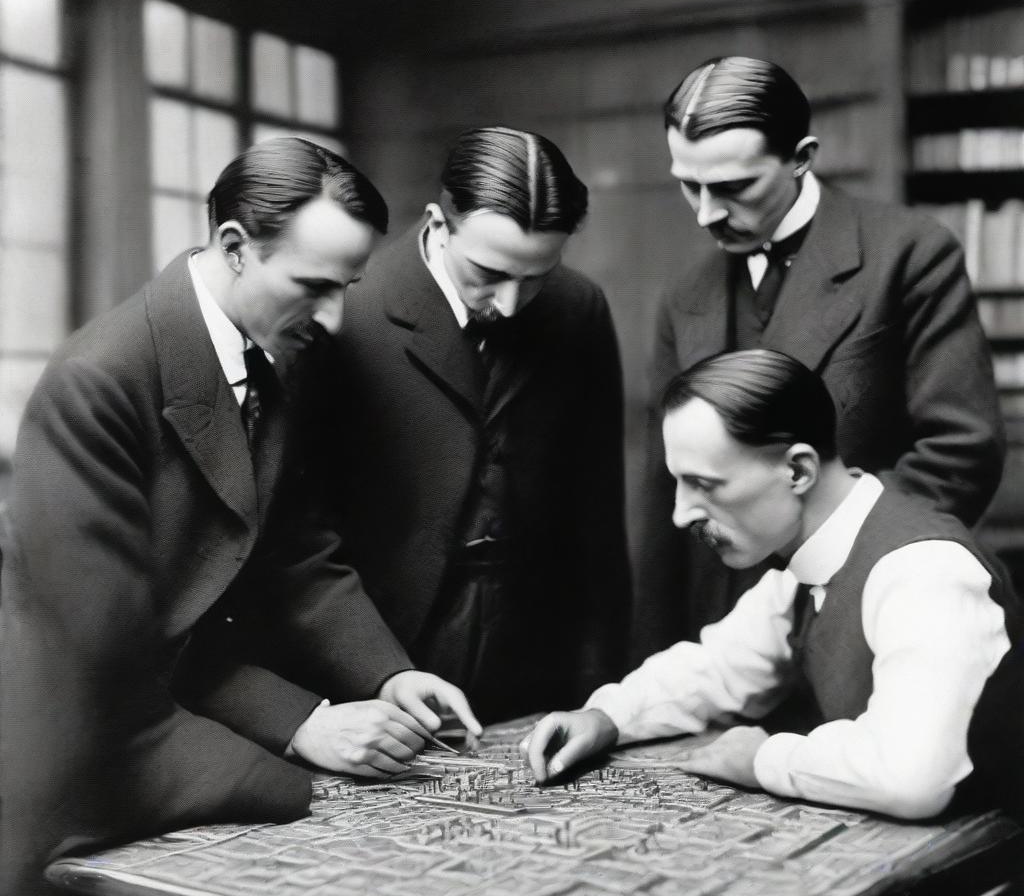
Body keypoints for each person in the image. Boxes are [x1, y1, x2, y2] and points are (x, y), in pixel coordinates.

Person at [0, 137, 480, 896]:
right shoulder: (98, 381)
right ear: (233, 247)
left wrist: (387, 675)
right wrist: (306, 725)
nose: (333, 317)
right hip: (77, 746)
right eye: (313, 287)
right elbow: (111, 654)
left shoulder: (270, 354)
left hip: (172, 707)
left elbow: (294, 553)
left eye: (347, 288)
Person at [525, 350, 1022, 821]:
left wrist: (763, 757)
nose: (680, 514)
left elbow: (911, 778)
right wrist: (606, 716)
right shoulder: (809, 565)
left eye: (706, 484)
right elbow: (718, 667)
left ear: (798, 469)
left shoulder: (923, 571)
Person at [634, 55, 1004, 660]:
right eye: (689, 184)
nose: (706, 213)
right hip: (721, 636)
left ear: (802, 156)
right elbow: (662, 496)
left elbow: (960, 450)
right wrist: (653, 658)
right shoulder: (685, 295)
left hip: (862, 616)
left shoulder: (908, 254)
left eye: (733, 187)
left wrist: (830, 572)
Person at [322, 126, 631, 723]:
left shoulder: (579, 307)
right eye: (488, 272)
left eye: (536, 276)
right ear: (439, 225)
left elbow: (596, 515)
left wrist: (600, 689)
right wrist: (373, 672)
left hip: (539, 654)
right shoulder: (349, 308)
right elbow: (310, 528)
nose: (511, 304)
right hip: (389, 653)